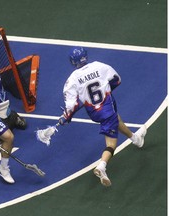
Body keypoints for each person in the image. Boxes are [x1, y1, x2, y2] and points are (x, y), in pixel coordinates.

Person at [58, 46, 147, 187]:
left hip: (93, 112)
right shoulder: (100, 66)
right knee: (111, 144)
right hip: (106, 107)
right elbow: (117, 80)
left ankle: (135, 139)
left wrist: (66, 117)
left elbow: (72, 105)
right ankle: (102, 166)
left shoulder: (71, 80)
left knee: (115, 120)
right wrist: (106, 90)